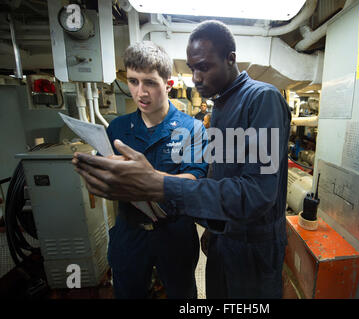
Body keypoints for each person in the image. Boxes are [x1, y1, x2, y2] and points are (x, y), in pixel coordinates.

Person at [73, 20, 291, 298]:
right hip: (224, 241)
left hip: (252, 251)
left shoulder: (261, 100)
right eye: (192, 68)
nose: (196, 77)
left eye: (204, 66)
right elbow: (222, 177)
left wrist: (159, 183)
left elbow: (257, 193)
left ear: (230, 59)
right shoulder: (222, 106)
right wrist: (212, 228)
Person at [94, 41, 208, 298]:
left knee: (182, 294)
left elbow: (195, 181)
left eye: (150, 83)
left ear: (168, 84)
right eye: (133, 82)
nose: (141, 92)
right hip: (130, 231)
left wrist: (150, 179)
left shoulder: (192, 129)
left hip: (174, 232)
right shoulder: (118, 129)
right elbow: (109, 179)